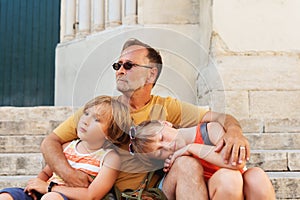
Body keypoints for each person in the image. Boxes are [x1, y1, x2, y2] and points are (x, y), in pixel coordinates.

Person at [40, 38, 250, 199]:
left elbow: (223, 118)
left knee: (187, 164)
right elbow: (51, 141)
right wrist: (68, 174)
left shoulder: (167, 107)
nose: (120, 71)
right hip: (114, 193)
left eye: (128, 65)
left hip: (157, 191)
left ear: (151, 75)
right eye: (118, 65)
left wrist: (234, 133)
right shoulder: (101, 111)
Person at [0, 95, 132, 200]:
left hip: (67, 196)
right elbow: (47, 173)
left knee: (51, 198)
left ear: (111, 133)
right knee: (6, 196)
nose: (85, 120)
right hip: (45, 192)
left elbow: (92, 195)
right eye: (86, 113)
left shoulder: (110, 158)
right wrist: (35, 186)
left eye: (96, 119)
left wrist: (49, 188)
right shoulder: (67, 146)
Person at [129, 120, 276, 200]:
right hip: (209, 190)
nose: (167, 146)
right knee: (229, 179)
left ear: (165, 123)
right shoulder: (174, 162)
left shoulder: (209, 130)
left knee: (256, 175)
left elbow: (236, 162)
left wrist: (191, 148)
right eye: (160, 152)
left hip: (231, 189)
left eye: (162, 138)